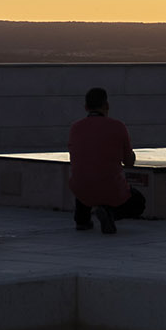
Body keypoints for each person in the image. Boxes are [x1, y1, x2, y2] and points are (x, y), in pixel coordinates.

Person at [68, 86, 145, 234]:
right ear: (107, 105)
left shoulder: (75, 128)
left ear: (85, 107)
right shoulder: (118, 126)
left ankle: (82, 219)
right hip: (111, 188)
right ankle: (111, 214)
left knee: (86, 180)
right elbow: (129, 162)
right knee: (139, 202)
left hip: (81, 187)